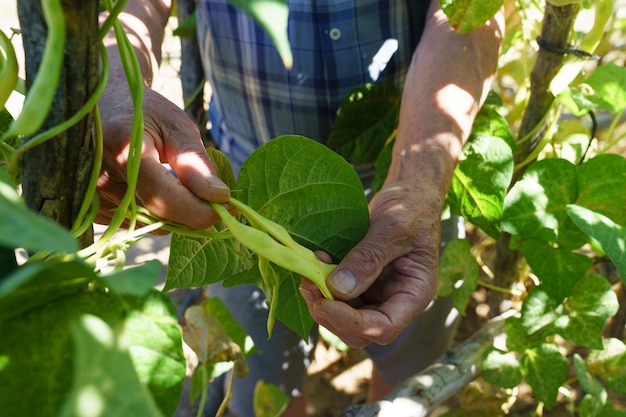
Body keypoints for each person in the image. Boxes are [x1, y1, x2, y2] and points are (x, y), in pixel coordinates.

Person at [97, 1, 503, 415]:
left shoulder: (416, 194)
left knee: (409, 375)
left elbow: (471, 13)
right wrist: (115, 87)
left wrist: (418, 183)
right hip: (231, 187)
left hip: (412, 194)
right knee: (263, 383)